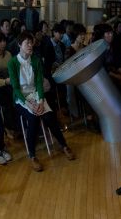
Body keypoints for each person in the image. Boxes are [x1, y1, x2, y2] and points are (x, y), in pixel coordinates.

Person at [8, 31, 75, 172]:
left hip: (36, 95)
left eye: (31, 42)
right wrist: (29, 104)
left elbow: (39, 82)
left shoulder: (36, 60)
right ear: (20, 45)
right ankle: (32, 155)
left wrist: (40, 101)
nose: (30, 45)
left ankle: (64, 145)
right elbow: (15, 88)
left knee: (50, 117)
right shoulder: (13, 62)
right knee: (33, 119)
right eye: (27, 43)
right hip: (22, 99)